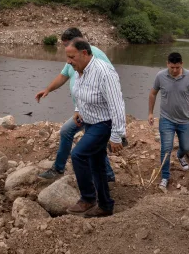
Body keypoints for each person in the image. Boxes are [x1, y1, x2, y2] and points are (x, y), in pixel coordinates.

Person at [35, 28, 116, 182]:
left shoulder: (95, 55)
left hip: (97, 112)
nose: (66, 49)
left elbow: (110, 79)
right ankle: (59, 168)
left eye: (67, 44)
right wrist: (47, 90)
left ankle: (105, 177)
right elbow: (64, 75)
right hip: (82, 110)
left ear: (78, 42)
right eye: (64, 45)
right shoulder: (73, 57)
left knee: (92, 145)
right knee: (67, 132)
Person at [64, 39, 126, 218]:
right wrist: (78, 110)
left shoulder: (104, 72)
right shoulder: (80, 70)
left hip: (104, 124)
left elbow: (117, 105)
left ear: (84, 53)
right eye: (67, 57)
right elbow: (80, 92)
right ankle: (106, 206)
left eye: (72, 57)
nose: (69, 61)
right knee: (96, 164)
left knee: (78, 155)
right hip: (89, 122)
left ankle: (88, 198)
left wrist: (117, 135)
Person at [148, 52, 189, 192]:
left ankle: (180, 156)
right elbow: (153, 93)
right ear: (167, 64)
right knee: (166, 148)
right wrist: (150, 113)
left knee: (187, 146)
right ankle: (165, 176)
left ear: (182, 64)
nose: (175, 70)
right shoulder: (160, 76)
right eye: (172, 67)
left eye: (177, 67)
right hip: (166, 119)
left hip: (184, 120)